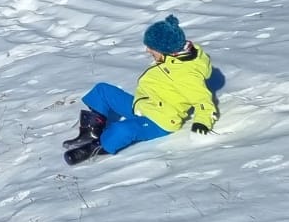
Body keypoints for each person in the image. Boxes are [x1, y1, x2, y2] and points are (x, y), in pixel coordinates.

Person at [65, 15, 218, 165]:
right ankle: (90, 133)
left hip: (160, 121)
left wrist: (202, 122)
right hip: (144, 106)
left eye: (151, 48)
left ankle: (98, 146)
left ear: (165, 49)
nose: (147, 50)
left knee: (122, 130)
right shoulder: (171, 58)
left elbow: (202, 99)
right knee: (102, 90)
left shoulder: (185, 73)